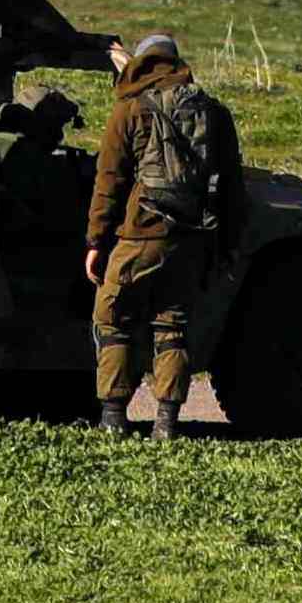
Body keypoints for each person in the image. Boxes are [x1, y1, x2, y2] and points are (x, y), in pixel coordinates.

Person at [83, 31, 234, 436]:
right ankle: (167, 422)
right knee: (172, 326)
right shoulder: (211, 111)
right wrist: (224, 246)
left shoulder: (130, 109)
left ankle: (113, 417)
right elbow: (230, 184)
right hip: (190, 237)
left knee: (112, 318)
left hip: (138, 234)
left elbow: (109, 180)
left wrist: (97, 241)